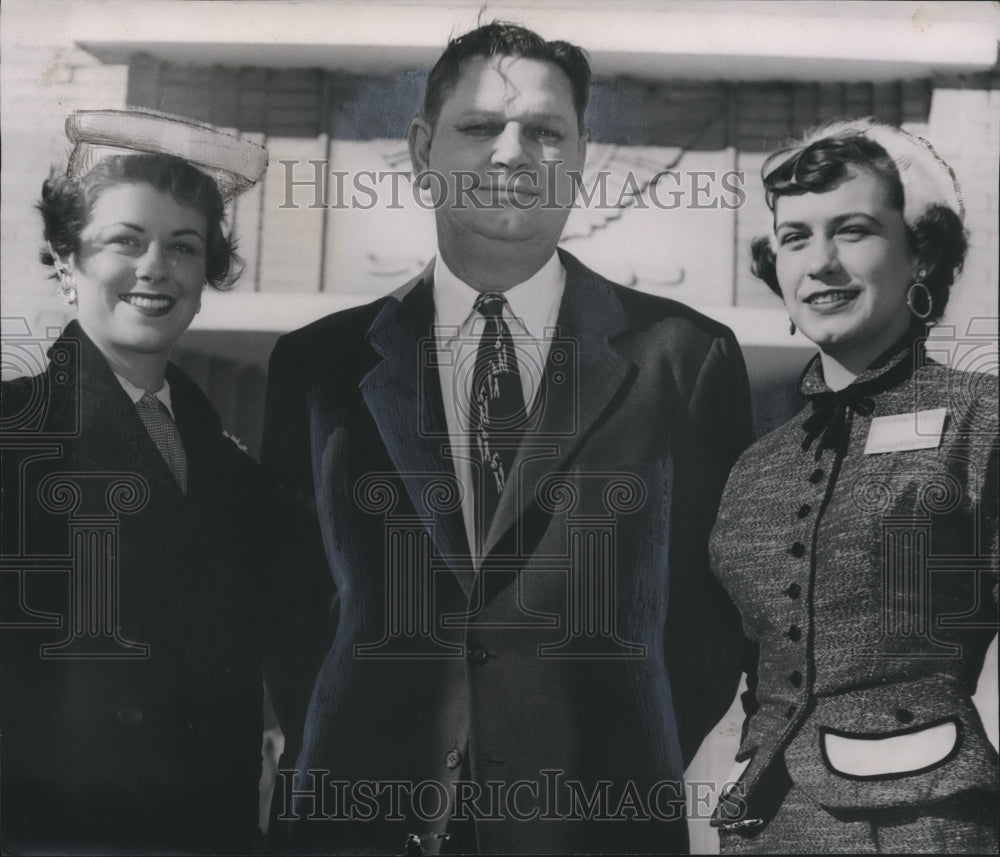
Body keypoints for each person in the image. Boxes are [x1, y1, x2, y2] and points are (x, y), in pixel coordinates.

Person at [263, 21, 752, 855]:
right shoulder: (320, 364)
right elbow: (291, 611)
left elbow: (712, 624)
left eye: (545, 131)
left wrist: (612, 751)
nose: (512, 153)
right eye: (481, 126)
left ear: (581, 159)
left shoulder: (685, 359)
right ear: (423, 151)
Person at [709, 118, 999, 853]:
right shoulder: (756, 465)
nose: (822, 263)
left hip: (924, 824)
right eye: (797, 238)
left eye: (855, 230)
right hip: (764, 827)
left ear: (920, 254)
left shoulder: (981, 419)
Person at [0, 109, 273, 854]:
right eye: (127, 240)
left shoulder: (236, 474)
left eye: (184, 247)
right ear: (65, 260)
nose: (158, 266)